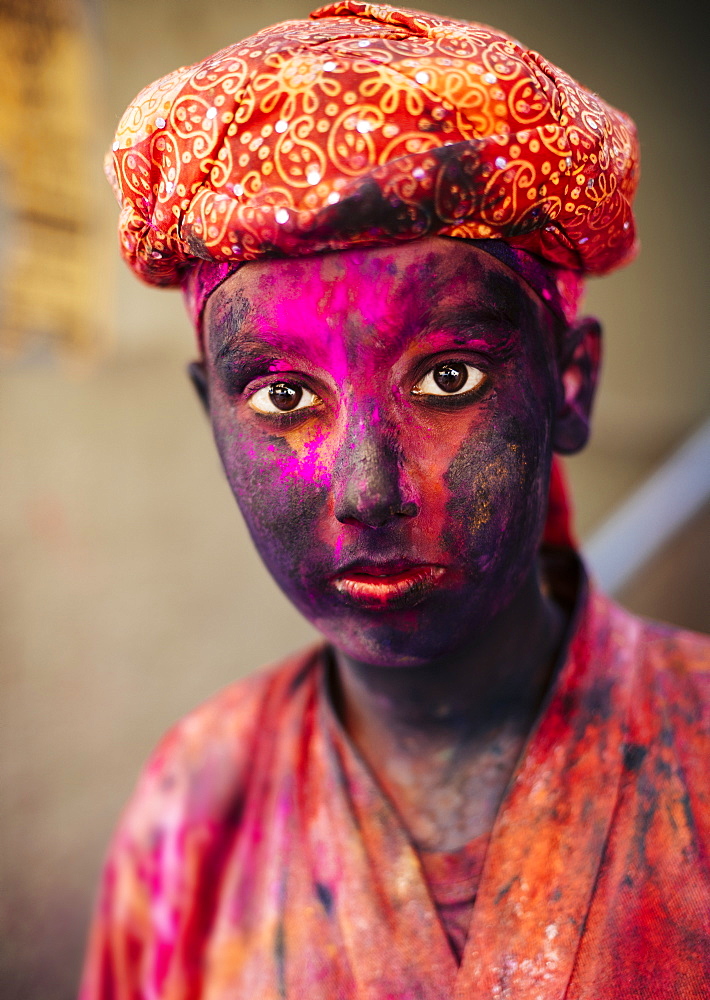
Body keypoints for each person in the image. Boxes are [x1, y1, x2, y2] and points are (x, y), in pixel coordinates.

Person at [80, 4, 710, 997]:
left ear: (569, 384)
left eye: (447, 379)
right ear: (212, 412)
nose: (367, 488)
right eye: (284, 397)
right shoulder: (194, 807)